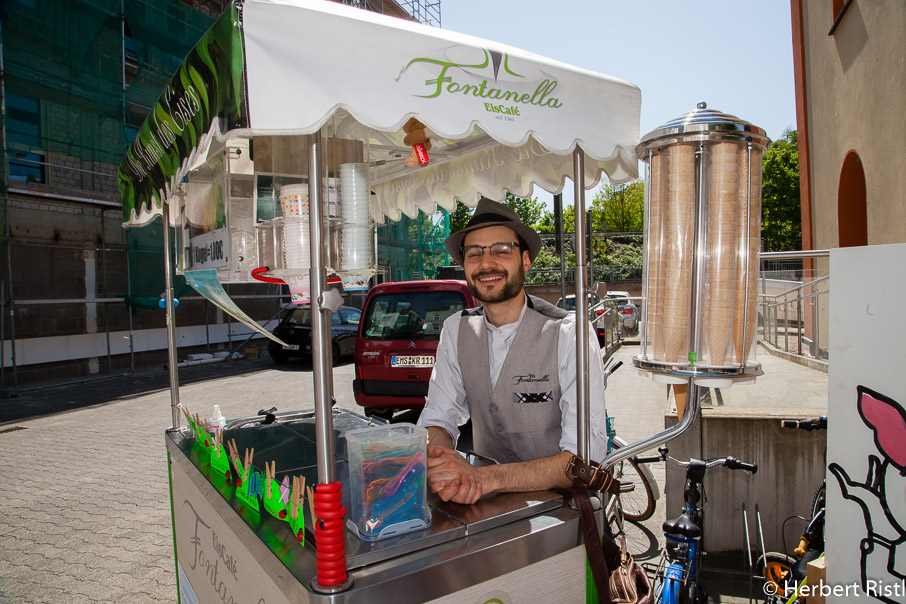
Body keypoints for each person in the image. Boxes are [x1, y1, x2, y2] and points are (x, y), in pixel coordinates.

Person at [417, 197, 608, 505]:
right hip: (489, 510)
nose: (486, 263)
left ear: (526, 260)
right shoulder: (456, 329)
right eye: (474, 253)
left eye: (501, 250)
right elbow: (438, 415)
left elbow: (583, 459)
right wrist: (439, 460)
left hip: (564, 511)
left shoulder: (570, 333)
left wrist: (483, 477)